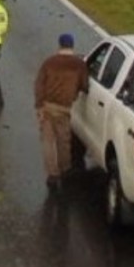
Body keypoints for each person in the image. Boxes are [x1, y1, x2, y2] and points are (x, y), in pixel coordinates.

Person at [35, 34, 88, 190]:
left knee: (48, 142)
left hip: (47, 107)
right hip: (64, 108)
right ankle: (65, 169)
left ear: (59, 45)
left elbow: (39, 84)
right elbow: (85, 85)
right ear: (72, 46)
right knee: (63, 141)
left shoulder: (49, 62)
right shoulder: (79, 65)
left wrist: (39, 105)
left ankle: (52, 174)